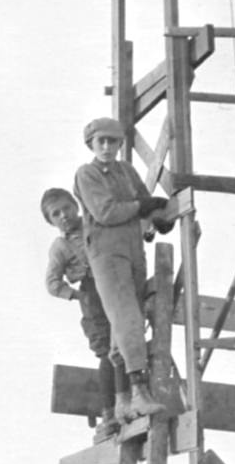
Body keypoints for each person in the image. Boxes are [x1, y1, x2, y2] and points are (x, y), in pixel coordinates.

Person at [73, 117, 173, 421]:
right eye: (100, 141)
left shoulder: (127, 172)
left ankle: (123, 401)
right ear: (91, 144)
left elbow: (146, 201)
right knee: (127, 317)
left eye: (112, 141)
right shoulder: (87, 174)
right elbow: (105, 212)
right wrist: (142, 208)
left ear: (119, 144)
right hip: (107, 253)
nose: (106, 147)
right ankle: (139, 391)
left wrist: (160, 217)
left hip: (132, 251)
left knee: (127, 324)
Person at [42, 186, 126, 437]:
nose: (64, 216)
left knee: (124, 344)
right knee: (106, 353)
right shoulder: (60, 247)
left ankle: (127, 402)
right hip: (91, 296)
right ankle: (109, 412)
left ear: (76, 206)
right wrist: (78, 295)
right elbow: (52, 283)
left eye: (66, 208)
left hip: (114, 284)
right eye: (56, 214)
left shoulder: (95, 224)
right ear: (51, 221)